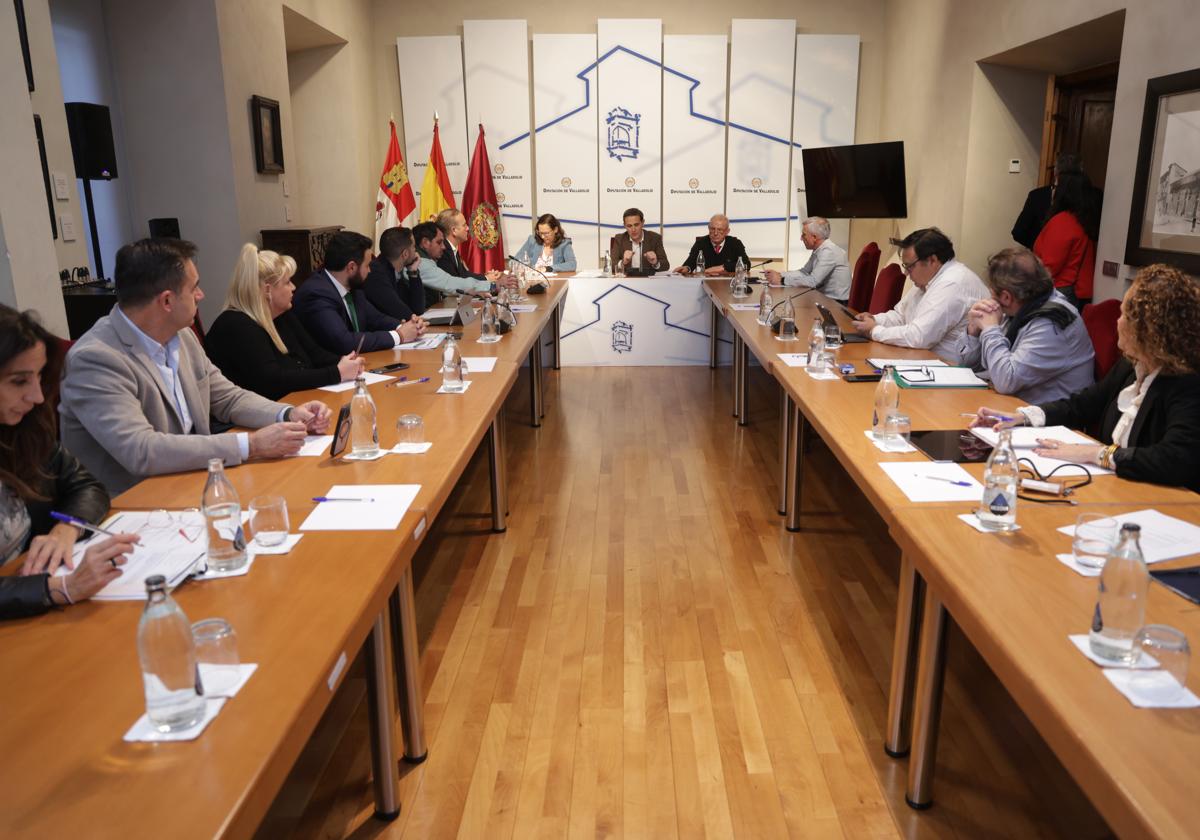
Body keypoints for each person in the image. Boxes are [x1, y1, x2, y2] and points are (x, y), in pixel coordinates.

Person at [60, 238, 333, 497]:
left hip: (194, 481)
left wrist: (288, 414)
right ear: (167, 301)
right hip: (132, 506)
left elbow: (226, 396)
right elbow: (140, 450)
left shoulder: (182, 335)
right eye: (194, 288)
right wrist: (251, 445)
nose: (201, 295)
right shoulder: (96, 359)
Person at [971, 264, 1200, 492]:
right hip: (1121, 489)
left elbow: (1176, 459)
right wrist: (1021, 418)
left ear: (1148, 330)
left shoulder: (1187, 382)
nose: (1118, 322)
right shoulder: (1132, 366)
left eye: (1124, 314)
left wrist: (1095, 454)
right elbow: (1082, 404)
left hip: (1170, 504)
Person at [206, 244, 365, 400]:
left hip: (294, 402)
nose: (294, 287)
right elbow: (273, 381)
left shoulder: (283, 314)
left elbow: (315, 354)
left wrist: (346, 362)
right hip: (250, 419)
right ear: (268, 290)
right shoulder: (237, 325)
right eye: (287, 282)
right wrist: (337, 373)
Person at [955, 247, 1094, 403]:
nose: (990, 298)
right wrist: (973, 332)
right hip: (1016, 408)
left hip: (1050, 420)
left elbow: (1006, 381)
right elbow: (968, 367)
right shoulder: (1021, 306)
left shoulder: (1050, 323)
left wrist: (990, 330)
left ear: (1006, 297)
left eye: (992, 292)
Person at [852, 227, 988, 363]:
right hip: (924, 361)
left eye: (909, 266)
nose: (906, 273)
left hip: (951, 371)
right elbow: (900, 315)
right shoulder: (930, 279)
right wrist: (874, 320)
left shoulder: (953, 282)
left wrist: (874, 331)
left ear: (932, 261)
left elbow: (919, 337)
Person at [292, 230, 425, 355]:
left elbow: (376, 318)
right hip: (328, 372)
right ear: (351, 267)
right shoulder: (316, 294)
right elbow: (344, 341)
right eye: (367, 266)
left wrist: (408, 327)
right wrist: (399, 335)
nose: (370, 271)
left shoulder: (353, 288)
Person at [1033, 170, 1100, 310]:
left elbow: (1049, 265)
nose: (1052, 191)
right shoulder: (1084, 220)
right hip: (1075, 291)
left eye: (1055, 187)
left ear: (1064, 192)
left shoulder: (1063, 221)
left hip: (1059, 289)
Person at [764, 216, 851, 303]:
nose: (801, 238)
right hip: (825, 300)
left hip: (837, 304)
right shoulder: (819, 249)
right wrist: (780, 274)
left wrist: (782, 280)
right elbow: (804, 272)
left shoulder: (829, 252)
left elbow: (812, 281)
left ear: (814, 237)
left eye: (804, 234)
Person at [1011, 152, 1082, 248]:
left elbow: (1019, 232)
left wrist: (1037, 248)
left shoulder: (1038, 196)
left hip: (1042, 257)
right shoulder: (1090, 197)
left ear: (1055, 171)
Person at [413, 221, 494, 297]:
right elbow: (448, 283)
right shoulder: (419, 262)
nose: (443, 247)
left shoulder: (425, 259)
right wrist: (491, 285)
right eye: (439, 242)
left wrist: (476, 290)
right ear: (425, 243)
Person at [364, 226, 429, 321]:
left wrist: (413, 272)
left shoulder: (394, 270)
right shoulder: (375, 273)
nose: (416, 251)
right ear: (405, 254)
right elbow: (402, 313)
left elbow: (418, 309)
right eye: (414, 247)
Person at [435, 208, 505, 285]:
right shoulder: (443, 251)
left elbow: (464, 275)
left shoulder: (451, 248)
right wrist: (488, 279)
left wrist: (487, 276)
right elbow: (456, 281)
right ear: (454, 230)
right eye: (464, 225)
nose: (468, 228)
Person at [678, 214, 747, 276]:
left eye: (720, 230)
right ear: (708, 228)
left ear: (727, 231)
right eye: (712, 229)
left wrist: (721, 267)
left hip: (728, 284)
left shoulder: (735, 243)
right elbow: (690, 262)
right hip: (705, 283)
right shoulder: (700, 243)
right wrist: (687, 268)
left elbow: (746, 264)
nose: (715, 233)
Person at [609, 208, 669, 274]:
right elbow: (611, 265)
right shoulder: (619, 238)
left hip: (648, 281)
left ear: (642, 223)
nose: (633, 229)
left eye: (636, 225)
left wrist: (655, 262)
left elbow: (666, 265)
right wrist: (623, 262)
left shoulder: (655, 238)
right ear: (624, 226)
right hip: (627, 280)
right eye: (629, 226)